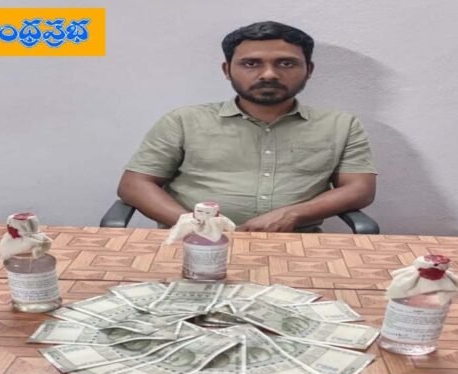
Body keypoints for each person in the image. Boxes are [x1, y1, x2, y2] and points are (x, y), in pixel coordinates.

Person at [117, 21, 376, 232]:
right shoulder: (183, 121)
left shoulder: (341, 125)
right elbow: (134, 184)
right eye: (251, 64)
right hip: (193, 240)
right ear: (227, 70)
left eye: (286, 63)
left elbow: (360, 189)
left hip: (295, 244)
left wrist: (293, 214)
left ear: (308, 70)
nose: (269, 74)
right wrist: (197, 225)